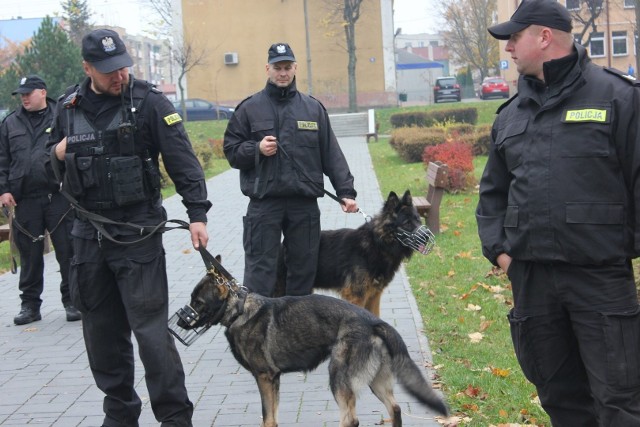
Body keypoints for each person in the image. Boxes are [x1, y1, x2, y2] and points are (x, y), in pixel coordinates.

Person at [476, 0, 640, 425]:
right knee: (559, 398)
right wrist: (503, 255)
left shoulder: (619, 98)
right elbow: (492, 196)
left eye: (514, 37)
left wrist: (618, 248)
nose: (508, 47)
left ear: (544, 37)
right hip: (533, 284)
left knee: (619, 401)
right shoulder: (510, 115)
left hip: (599, 281)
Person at [46, 29, 211, 427]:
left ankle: (174, 416)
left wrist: (197, 213)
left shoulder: (150, 102)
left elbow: (182, 160)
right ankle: (120, 414)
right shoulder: (67, 106)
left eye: (122, 66)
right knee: (101, 335)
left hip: (138, 235)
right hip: (87, 236)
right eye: (107, 70)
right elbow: (40, 166)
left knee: (152, 335)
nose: (117, 75)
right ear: (87, 68)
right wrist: (56, 152)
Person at [223, 42, 358, 297]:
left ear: (295, 68)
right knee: (259, 272)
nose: (282, 73)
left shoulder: (312, 108)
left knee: (303, 271)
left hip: (303, 205)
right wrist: (257, 149)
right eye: (277, 67)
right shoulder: (249, 108)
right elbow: (231, 151)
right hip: (264, 205)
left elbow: (331, 154)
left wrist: (346, 192)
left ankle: (298, 332)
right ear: (267, 69)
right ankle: (256, 332)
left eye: (287, 67)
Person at [0, 75, 80, 325]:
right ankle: (30, 306)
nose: (24, 97)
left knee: (68, 251)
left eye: (28, 92)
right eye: (21, 94)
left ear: (43, 92)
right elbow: (2, 159)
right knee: (30, 256)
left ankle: (73, 302)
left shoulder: (62, 116)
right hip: (25, 200)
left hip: (58, 197)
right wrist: (3, 189)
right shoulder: (10, 123)